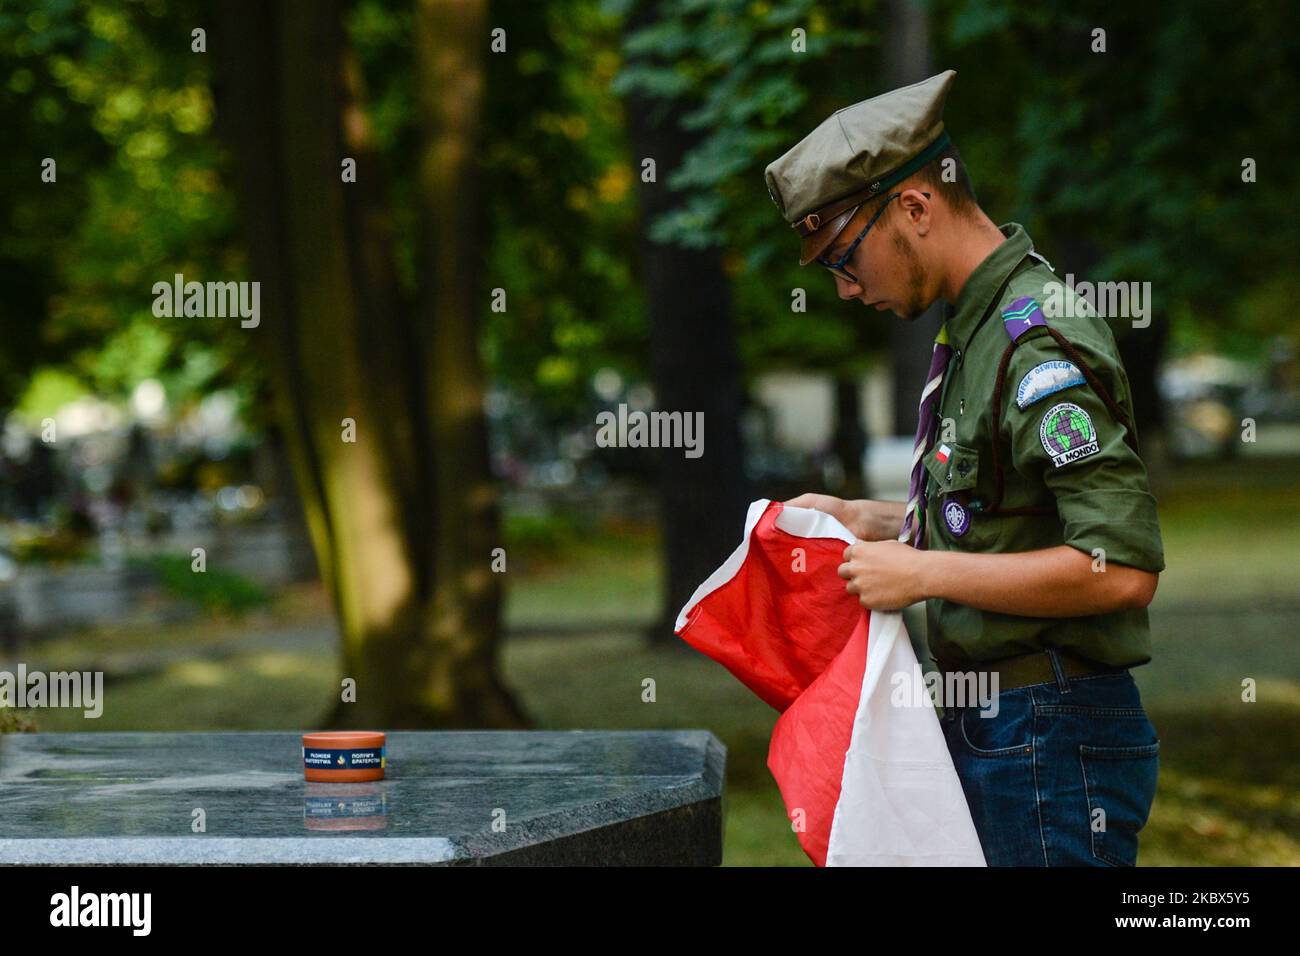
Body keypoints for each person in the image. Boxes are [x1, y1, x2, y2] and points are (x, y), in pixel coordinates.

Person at [764, 70, 1165, 866]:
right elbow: (996, 514)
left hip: (1048, 730)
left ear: (914, 206)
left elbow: (1119, 567)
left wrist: (921, 575)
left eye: (845, 256)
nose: (845, 289)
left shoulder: (1034, 337)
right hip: (1005, 725)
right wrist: (873, 520)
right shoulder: (978, 328)